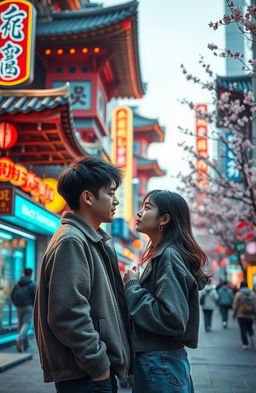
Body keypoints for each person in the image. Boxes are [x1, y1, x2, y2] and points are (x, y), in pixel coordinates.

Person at [34, 156, 131, 393]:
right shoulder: (72, 240)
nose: (116, 201)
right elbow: (68, 313)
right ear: (87, 197)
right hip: (87, 375)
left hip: (89, 373)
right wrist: (99, 365)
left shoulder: (88, 239)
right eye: (110, 193)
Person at [123, 190, 209, 393]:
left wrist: (133, 287)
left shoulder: (169, 255)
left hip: (160, 362)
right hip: (161, 361)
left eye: (147, 207)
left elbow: (173, 318)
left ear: (164, 219)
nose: (139, 212)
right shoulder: (164, 253)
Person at [10, 268, 36, 352]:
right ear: (31, 274)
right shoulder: (32, 284)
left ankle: (26, 345)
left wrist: (16, 304)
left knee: (21, 325)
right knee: (27, 323)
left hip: (19, 307)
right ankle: (19, 338)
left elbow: (12, 295)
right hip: (28, 306)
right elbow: (35, 296)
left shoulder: (17, 283)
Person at [232, 280, 256, 349]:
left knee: (243, 329)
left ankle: (245, 344)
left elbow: (235, 305)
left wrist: (234, 313)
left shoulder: (239, 294)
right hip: (250, 315)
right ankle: (251, 336)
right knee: (249, 327)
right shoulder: (252, 294)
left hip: (241, 314)